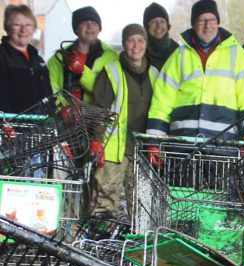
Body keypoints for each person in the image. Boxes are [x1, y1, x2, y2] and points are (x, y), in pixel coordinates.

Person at [146, 0, 244, 143]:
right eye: (201, 20)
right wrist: (154, 141)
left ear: (218, 22)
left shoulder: (237, 54)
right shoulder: (178, 56)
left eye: (211, 20)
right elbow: (162, 101)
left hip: (224, 146)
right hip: (182, 144)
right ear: (193, 24)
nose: (207, 25)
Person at [91, 24, 158, 219]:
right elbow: (98, 110)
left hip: (143, 152)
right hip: (113, 150)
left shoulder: (155, 74)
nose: (135, 45)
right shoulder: (111, 72)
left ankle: (138, 247)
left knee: (142, 207)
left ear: (146, 43)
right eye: (130, 40)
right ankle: (98, 245)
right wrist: (96, 141)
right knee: (103, 203)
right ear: (123, 44)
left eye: (140, 40)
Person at [47, 6, 118, 104]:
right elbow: (51, 89)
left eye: (94, 23)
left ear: (99, 28)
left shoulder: (111, 57)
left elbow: (107, 93)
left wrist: (82, 72)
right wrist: (61, 108)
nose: (90, 26)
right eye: (84, 23)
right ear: (76, 29)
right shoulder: (58, 57)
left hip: (97, 117)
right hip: (63, 118)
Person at [0, 4, 52, 113]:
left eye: (28, 25)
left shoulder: (39, 61)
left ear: (34, 29)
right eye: (17, 24)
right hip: (9, 126)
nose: (23, 30)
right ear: (7, 28)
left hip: (39, 126)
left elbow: (49, 96)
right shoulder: (2, 56)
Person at [143, 2, 179, 71]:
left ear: (167, 25)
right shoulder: (140, 52)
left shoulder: (177, 51)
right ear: (146, 27)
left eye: (162, 21)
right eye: (153, 22)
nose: (159, 26)